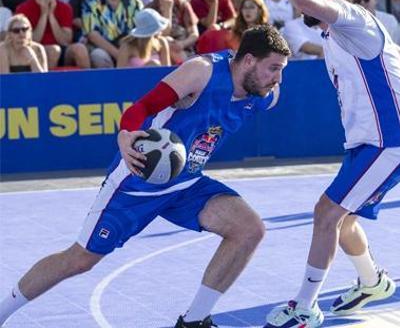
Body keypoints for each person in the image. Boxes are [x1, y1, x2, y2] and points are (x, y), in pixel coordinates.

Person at [0, 25, 290, 328]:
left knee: (249, 229)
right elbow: (143, 106)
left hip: (186, 182)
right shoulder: (201, 72)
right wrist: (125, 135)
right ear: (247, 61)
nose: (278, 78)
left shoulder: (265, 93)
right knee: (80, 259)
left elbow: (269, 90)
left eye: (280, 70)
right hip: (139, 179)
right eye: (273, 68)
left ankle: (193, 321)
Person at [264, 0, 400, 328]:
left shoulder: (353, 18)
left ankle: (304, 307)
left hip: (391, 142)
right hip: (372, 142)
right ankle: (373, 282)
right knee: (345, 219)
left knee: (326, 214)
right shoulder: (333, 36)